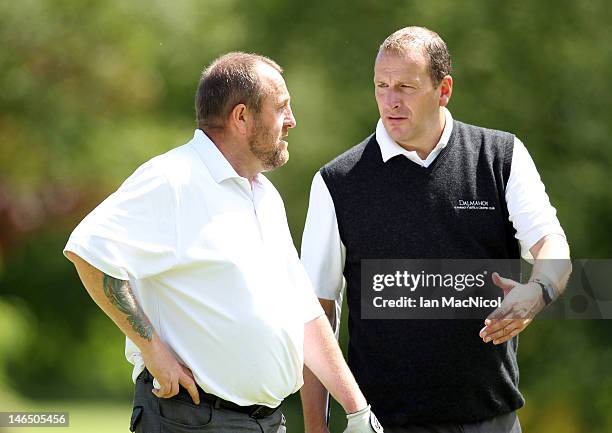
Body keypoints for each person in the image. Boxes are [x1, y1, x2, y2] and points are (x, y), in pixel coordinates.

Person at [64, 52, 383, 433]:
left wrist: (357, 410)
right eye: (281, 108)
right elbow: (89, 251)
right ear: (242, 117)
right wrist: (153, 351)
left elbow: (304, 313)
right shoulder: (173, 178)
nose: (291, 121)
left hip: (268, 423)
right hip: (190, 421)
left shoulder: (264, 195)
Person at [300, 27, 572, 433]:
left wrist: (538, 291)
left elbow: (552, 243)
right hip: (384, 425)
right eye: (381, 86)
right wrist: (316, 429)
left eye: (406, 87)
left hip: (492, 421)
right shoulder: (336, 182)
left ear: (443, 89)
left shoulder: (501, 156)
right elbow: (315, 314)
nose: (390, 100)